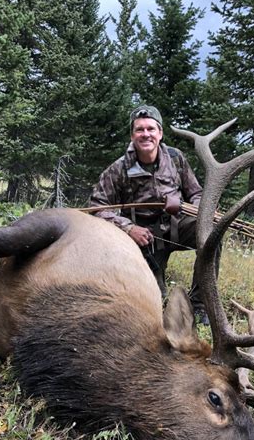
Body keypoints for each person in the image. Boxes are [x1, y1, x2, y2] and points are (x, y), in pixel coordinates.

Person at [90, 104, 210, 324]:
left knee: (211, 233)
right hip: (145, 240)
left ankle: (200, 304)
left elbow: (197, 193)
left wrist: (188, 206)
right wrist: (128, 228)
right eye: (139, 130)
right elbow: (98, 207)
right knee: (156, 303)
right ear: (132, 135)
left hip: (177, 227)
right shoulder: (118, 169)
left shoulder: (176, 159)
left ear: (160, 133)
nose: (145, 134)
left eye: (150, 129)